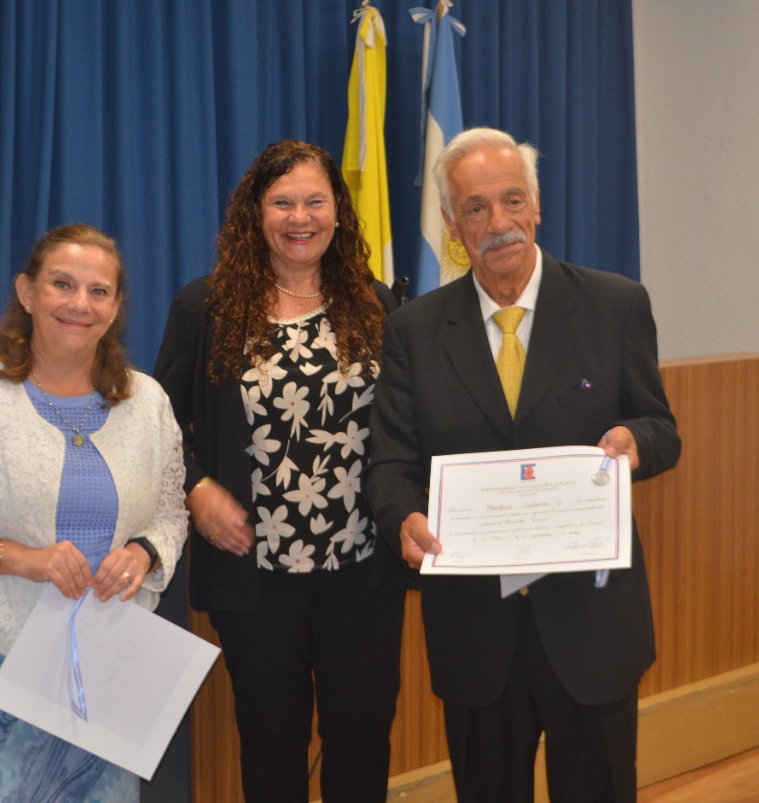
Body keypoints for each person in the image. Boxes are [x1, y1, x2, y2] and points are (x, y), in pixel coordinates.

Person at [367, 127, 681, 803]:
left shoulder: (615, 304)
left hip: (591, 624)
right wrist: (404, 518)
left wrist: (636, 439)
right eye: (475, 208)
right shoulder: (413, 331)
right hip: (476, 632)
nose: (498, 222)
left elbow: (662, 428)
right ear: (452, 225)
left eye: (512, 200)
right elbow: (390, 465)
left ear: (537, 205)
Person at [0, 224, 189, 802]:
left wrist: (144, 553)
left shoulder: (148, 401)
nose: (80, 303)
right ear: (27, 293)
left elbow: (171, 515)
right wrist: (24, 559)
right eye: (62, 284)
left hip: (110, 653)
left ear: (116, 308)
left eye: (99, 291)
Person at [153, 139, 407, 803]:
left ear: (338, 211)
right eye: (283, 202)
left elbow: (406, 426)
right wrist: (195, 487)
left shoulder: (374, 303)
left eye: (315, 201)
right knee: (271, 740)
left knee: (362, 738)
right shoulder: (206, 307)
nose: (301, 217)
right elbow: (158, 426)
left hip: (362, 569)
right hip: (255, 575)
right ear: (255, 212)